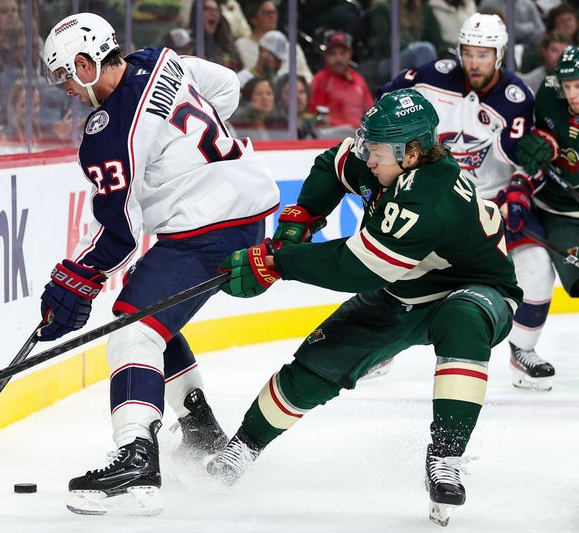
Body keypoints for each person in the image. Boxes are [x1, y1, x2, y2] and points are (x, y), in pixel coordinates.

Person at [206, 88, 522, 528]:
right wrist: (303, 217)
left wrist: (279, 262)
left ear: (412, 152)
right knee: (314, 366)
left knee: (462, 318)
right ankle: (244, 446)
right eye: (368, 145)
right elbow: (333, 162)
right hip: (402, 289)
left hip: (474, 289)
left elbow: (358, 268)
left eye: (377, 151)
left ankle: (446, 455)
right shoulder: (387, 159)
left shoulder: (428, 197)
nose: (368, 159)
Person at [42, 12, 279, 516]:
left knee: (133, 331)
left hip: (206, 228)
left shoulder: (108, 129)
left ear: (86, 64)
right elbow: (228, 88)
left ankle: (136, 456)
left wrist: (75, 279)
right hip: (243, 209)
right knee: (145, 313)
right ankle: (199, 433)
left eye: (65, 74)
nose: (63, 86)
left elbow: (121, 232)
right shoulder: (160, 60)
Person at [378, 13, 551, 391]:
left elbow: (527, 161)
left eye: (484, 55)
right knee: (392, 264)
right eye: (468, 53)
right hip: (435, 201)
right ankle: (380, 345)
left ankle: (522, 351)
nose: (474, 62)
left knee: (537, 265)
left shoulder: (516, 98)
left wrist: (520, 191)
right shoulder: (431, 76)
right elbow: (384, 106)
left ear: (500, 55)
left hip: (491, 205)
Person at [508, 45, 579, 387]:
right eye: (570, 86)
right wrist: (545, 143)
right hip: (559, 211)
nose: (574, 94)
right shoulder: (549, 94)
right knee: (538, 272)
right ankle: (522, 349)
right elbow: (535, 142)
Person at [308, 31, 374, 131]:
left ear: (350, 54)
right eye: (333, 54)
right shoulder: (320, 79)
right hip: (331, 139)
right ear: (326, 56)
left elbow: (371, 113)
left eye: (342, 53)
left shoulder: (359, 79)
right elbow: (314, 118)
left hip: (359, 138)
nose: (338, 58)